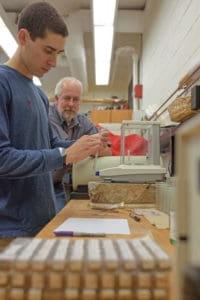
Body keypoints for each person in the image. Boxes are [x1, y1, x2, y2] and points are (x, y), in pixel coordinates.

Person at [0, 2, 107, 237]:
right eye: (48, 51)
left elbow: (48, 145)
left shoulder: (38, 93)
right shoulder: (3, 83)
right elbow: (2, 159)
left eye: (58, 54)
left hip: (43, 221)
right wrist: (64, 155)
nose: (54, 62)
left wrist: (84, 146)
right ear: (23, 37)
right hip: (11, 231)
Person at [49, 77, 111, 212]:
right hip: (51, 187)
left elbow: (106, 150)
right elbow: (63, 148)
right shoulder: (46, 118)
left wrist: (100, 144)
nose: (71, 104)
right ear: (56, 99)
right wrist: (91, 146)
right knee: (58, 221)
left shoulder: (84, 121)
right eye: (67, 98)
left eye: (75, 99)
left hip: (77, 183)